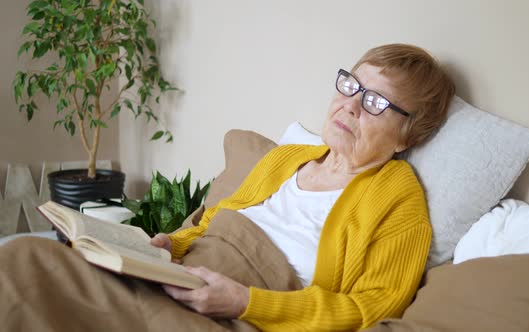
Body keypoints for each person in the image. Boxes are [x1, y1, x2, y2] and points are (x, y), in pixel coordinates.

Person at [0, 43, 455, 332]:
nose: (351, 105)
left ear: (408, 135)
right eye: (350, 84)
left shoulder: (399, 198)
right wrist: (166, 246)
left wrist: (245, 302)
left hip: (238, 311)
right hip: (179, 275)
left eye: (375, 101)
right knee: (23, 256)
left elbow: (369, 309)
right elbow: (214, 222)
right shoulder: (286, 158)